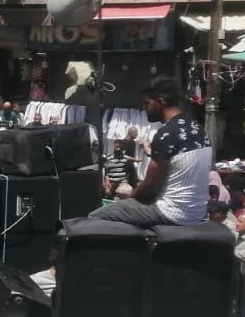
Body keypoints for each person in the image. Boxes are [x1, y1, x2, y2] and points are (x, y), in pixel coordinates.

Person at [88, 79, 209, 226]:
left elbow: (149, 188)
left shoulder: (167, 133)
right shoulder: (197, 129)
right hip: (196, 212)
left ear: (161, 101)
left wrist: (129, 198)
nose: (144, 108)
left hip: (172, 212)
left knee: (95, 216)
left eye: (147, 103)